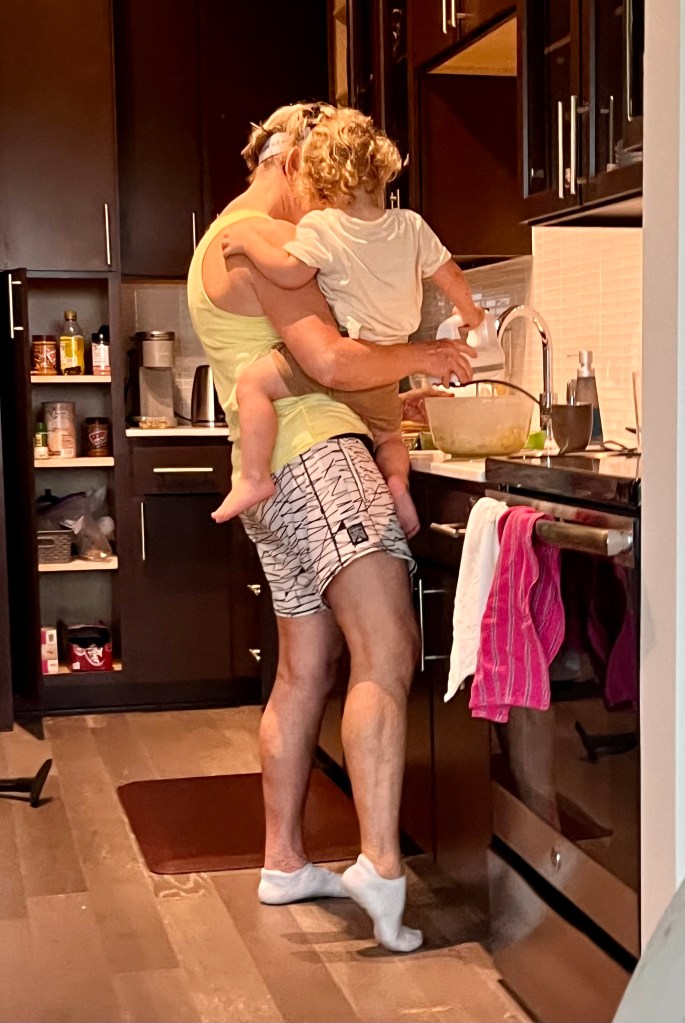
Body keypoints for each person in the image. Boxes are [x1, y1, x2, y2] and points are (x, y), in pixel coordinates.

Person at [187, 101, 474, 953]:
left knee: (301, 671)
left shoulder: (220, 239)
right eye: (317, 180)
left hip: (272, 475)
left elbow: (303, 367)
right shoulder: (277, 243)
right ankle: (381, 865)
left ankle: (284, 859)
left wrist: (394, 394)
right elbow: (328, 361)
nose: (328, 199)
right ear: (289, 163)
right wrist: (422, 356)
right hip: (318, 460)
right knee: (386, 650)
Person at [211, 107, 483, 538]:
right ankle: (397, 483)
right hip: (385, 370)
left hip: (351, 354)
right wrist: (471, 315)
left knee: (252, 385)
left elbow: (288, 273)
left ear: (319, 179)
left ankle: (253, 477)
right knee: (389, 438)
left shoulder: (322, 226)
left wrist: (248, 243)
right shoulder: (411, 225)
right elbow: (450, 275)